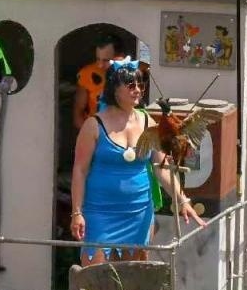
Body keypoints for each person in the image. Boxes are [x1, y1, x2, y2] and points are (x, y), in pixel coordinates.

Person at [69, 60, 204, 265]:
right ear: (115, 88)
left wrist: (182, 200)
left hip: (138, 214)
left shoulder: (148, 121)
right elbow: (79, 170)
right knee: (97, 283)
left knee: (133, 282)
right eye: (131, 85)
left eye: (141, 85)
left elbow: (161, 168)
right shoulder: (93, 125)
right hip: (100, 213)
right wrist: (77, 212)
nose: (138, 90)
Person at [72, 37, 117, 130]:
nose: (100, 65)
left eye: (106, 60)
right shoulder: (87, 74)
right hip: (96, 130)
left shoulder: (131, 74)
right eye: (98, 59)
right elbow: (78, 113)